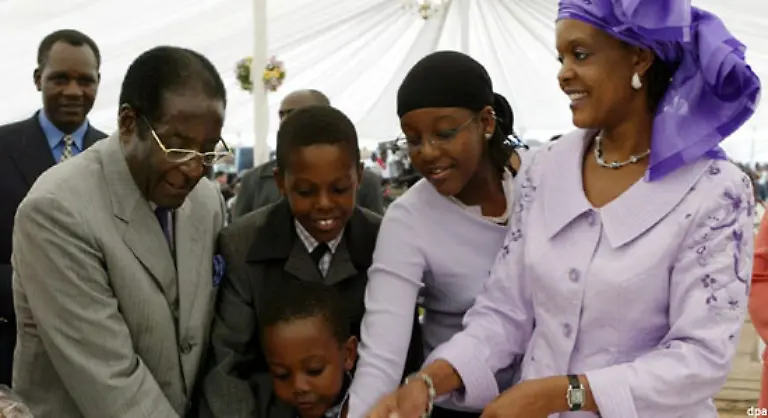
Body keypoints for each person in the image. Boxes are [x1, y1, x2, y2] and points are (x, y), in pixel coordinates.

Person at [367, 1, 761, 417]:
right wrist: (430, 380)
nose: (563, 73)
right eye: (561, 57)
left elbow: (701, 358)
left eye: (581, 54)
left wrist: (566, 393)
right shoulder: (549, 168)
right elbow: (505, 311)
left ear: (640, 58)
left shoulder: (713, 190)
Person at [11, 46, 230, 417]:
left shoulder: (206, 202)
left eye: (208, 151)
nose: (195, 169)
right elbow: (111, 381)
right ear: (129, 123)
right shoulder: (57, 211)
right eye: (177, 147)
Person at [199, 105, 422, 417]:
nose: (324, 204)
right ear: (280, 181)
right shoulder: (242, 246)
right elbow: (228, 365)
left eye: (340, 188)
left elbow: (406, 357)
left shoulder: (385, 243)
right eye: (305, 191)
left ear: (359, 175)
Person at [347, 51, 524, 418]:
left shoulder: (543, 181)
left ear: (487, 122)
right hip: (457, 405)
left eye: (444, 134)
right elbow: (382, 352)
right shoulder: (408, 219)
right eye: (413, 140)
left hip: (553, 397)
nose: (427, 153)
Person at [0, 29, 106, 386]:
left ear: (98, 83)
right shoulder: (1, 148)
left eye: (85, 80)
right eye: (60, 78)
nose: (73, 91)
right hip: (10, 350)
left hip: (97, 359)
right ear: (37, 79)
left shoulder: (118, 156)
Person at [234, 89, 385, 218]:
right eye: (282, 115)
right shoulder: (254, 180)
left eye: (295, 113)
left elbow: (375, 235)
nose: (286, 121)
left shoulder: (365, 181)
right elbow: (239, 236)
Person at [259, 280, 357, 418]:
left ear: (348, 354)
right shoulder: (264, 410)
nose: (299, 387)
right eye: (282, 375)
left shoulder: (381, 408)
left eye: (314, 370)